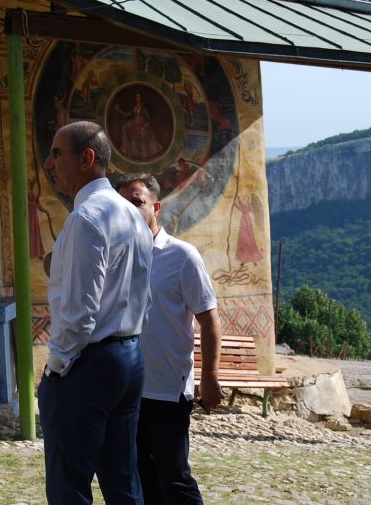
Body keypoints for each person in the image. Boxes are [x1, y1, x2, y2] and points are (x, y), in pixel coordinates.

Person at [39, 121, 154, 505]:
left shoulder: (87, 218)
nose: (48, 163)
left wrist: (56, 369)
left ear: (86, 158)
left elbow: (78, 312)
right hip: (129, 356)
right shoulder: (132, 215)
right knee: (123, 481)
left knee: (68, 486)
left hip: (89, 363)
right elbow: (144, 296)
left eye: (57, 153)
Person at [115, 173, 226, 505]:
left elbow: (209, 319)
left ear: (156, 207)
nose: (130, 209)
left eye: (137, 202)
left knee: (174, 477)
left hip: (167, 389)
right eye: (123, 204)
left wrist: (210, 376)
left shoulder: (182, 256)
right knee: (141, 475)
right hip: (128, 389)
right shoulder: (118, 256)